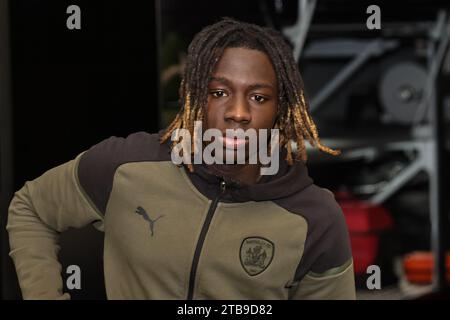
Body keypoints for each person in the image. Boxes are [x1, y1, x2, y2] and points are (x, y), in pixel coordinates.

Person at [6, 17, 356, 300]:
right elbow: (31, 207)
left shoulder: (314, 219)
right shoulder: (128, 165)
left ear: (282, 109)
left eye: (259, 97)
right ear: (193, 97)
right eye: (219, 93)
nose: (238, 112)